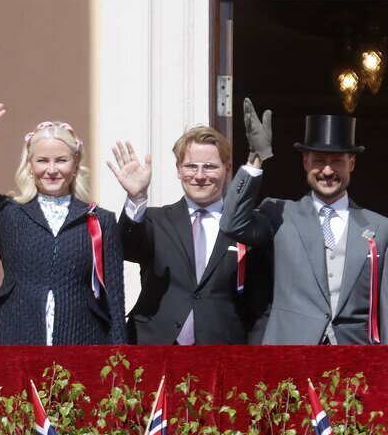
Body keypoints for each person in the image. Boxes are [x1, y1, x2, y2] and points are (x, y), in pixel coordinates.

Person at [0, 101, 126, 345]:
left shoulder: (100, 219)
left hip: (82, 343)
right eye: (42, 160)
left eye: (61, 160)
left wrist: (120, 363)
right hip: (15, 338)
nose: (52, 170)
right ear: (29, 163)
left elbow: (114, 299)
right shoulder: (9, 213)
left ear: (76, 162)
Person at [221, 102, 388, 344]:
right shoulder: (278, 214)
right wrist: (256, 158)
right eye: (319, 160)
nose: (328, 170)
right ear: (305, 163)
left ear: (352, 163)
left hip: (356, 365)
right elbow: (231, 223)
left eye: (338, 161)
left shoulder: (384, 230)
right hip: (290, 360)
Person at [108, 125, 271, 344]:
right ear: (178, 169)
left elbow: (261, 304)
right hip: (155, 349)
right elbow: (128, 248)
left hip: (223, 352)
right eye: (191, 166)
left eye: (210, 167)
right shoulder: (156, 220)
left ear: (228, 169)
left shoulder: (247, 228)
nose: (200, 176)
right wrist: (136, 198)